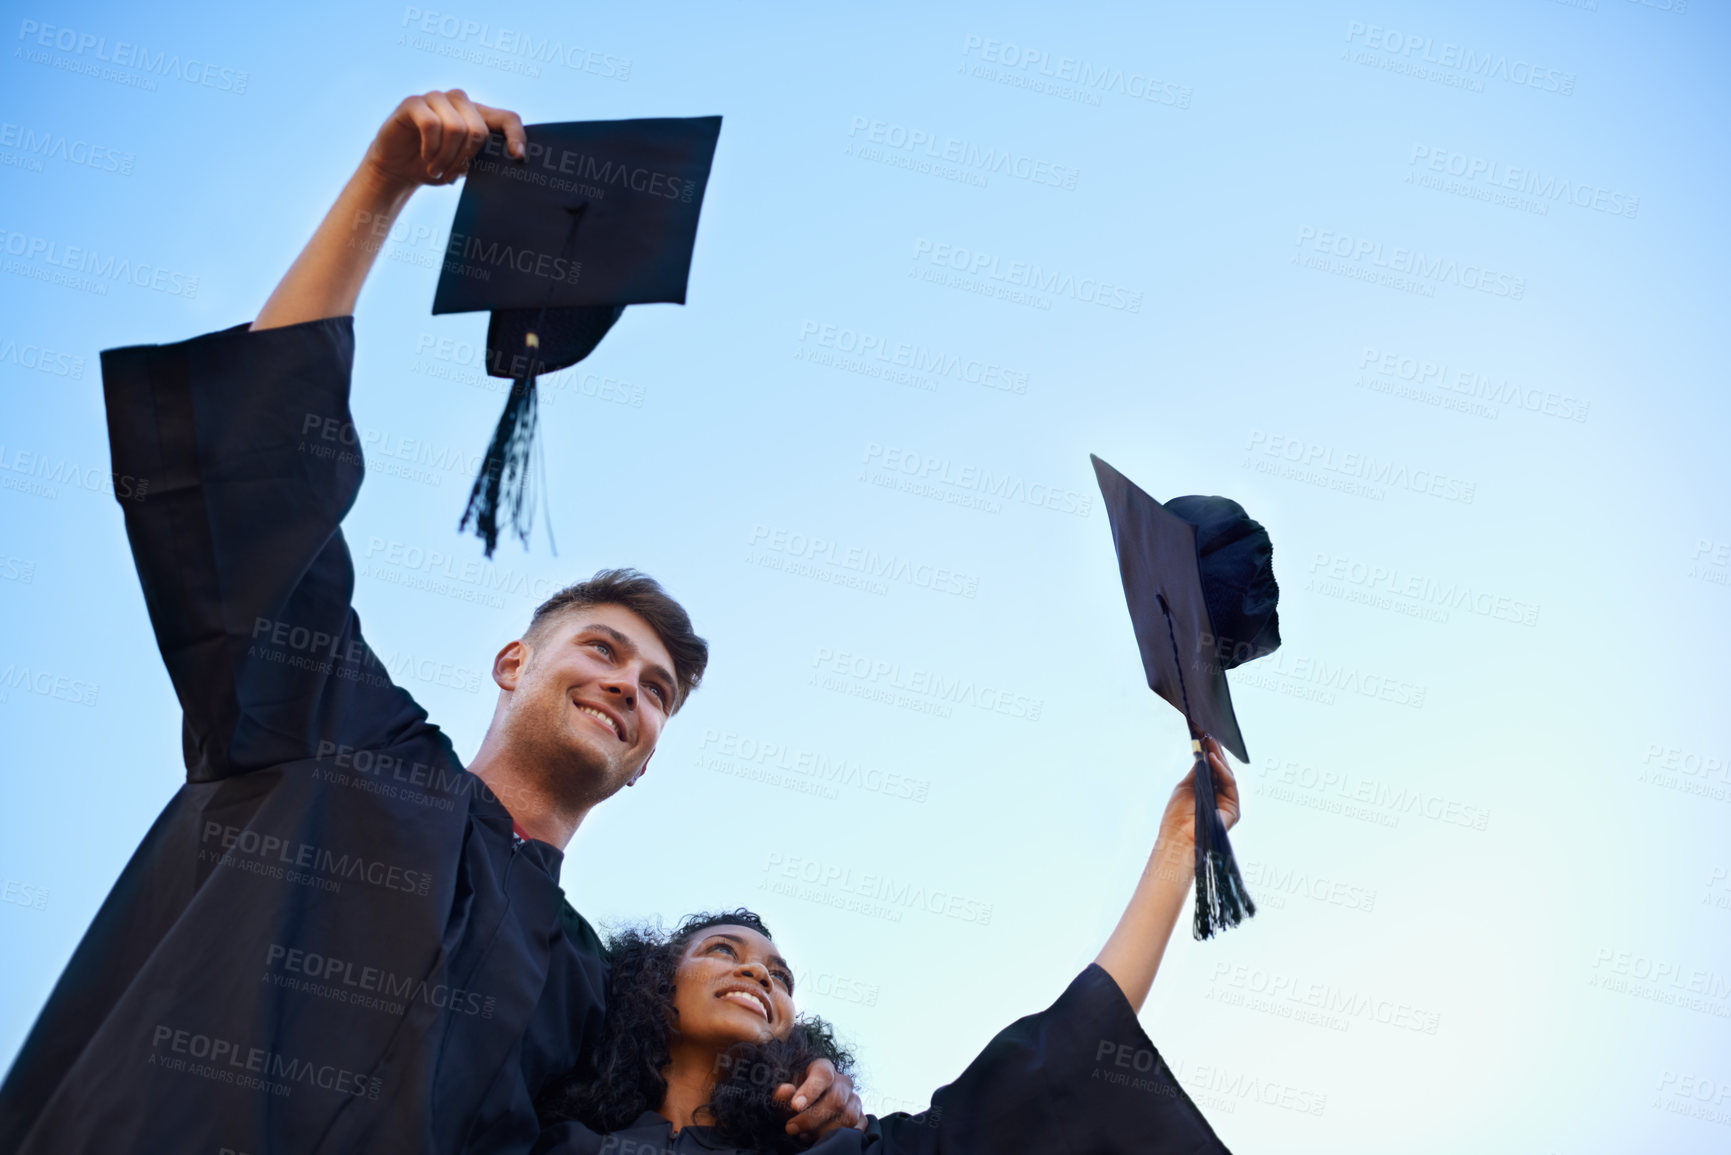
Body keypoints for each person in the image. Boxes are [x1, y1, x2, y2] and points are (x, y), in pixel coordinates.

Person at [0, 90, 858, 1155]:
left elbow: (668, 1128)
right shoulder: (338, 733)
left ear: (647, 760)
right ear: (513, 661)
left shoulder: (589, 999)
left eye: (656, 693)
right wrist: (384, 184)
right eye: (602, 648)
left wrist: (805, 1100)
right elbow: (262, 485)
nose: (627, 689)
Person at [533, 739, 1242, 1154]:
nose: (757, 969)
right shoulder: (551, 1139)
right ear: (652, 986)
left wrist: (1179, 846)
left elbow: (1048, 1068)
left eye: (779, 974)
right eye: (722, 949)